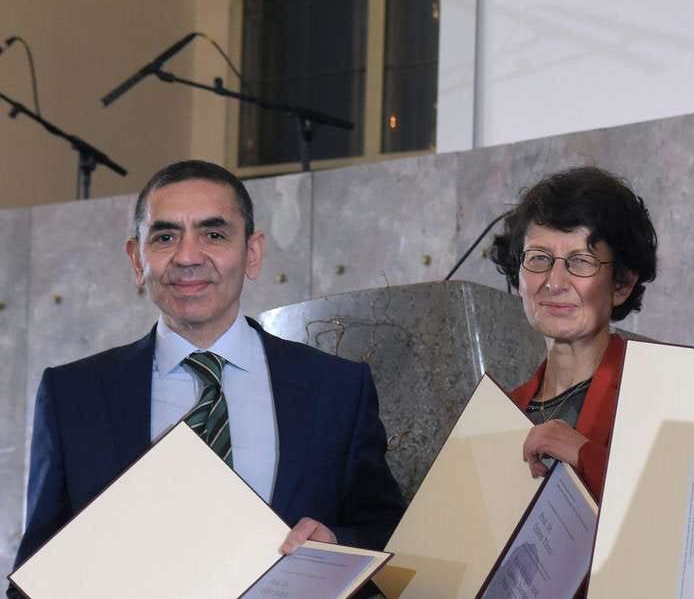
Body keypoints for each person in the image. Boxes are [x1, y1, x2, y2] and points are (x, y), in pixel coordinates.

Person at [8, 160, 405, 598]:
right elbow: (34, 576)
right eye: (164, 237)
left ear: (252, 253)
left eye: (213, 234)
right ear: (136, 260)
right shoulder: (73, 396)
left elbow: (388, 534)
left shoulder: (337, 389)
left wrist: (337, 547)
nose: (188, 257)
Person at [489, 166, 657, 502]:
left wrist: (584, 455)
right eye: (539, 258)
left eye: (581, 261)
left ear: (622, 285)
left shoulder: (655, 395)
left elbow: (680, 519)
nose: (554, 282)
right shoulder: (500, 411)